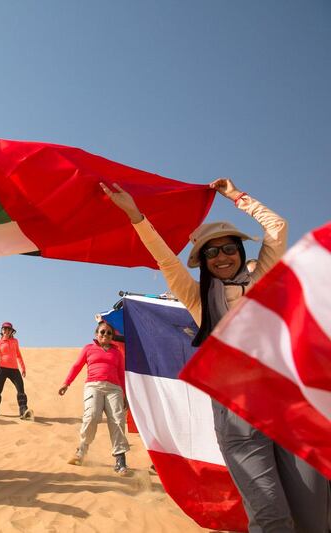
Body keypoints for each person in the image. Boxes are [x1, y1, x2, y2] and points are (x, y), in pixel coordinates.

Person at [103, 179, 329, 532]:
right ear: (202, 261)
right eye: (211, 252)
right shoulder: (197, 298)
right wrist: (135, 215)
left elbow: (277, 227)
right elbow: (164, 258)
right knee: (271, 518)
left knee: (316, 517)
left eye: (228, 248)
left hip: (289, 409)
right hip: (238, 415)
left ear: (240, 250)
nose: (221, 256)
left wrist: (236, 196)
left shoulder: (264, 277)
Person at [59, 321, 130, 475]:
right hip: (93, 386)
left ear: (112, 336)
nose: (105, 335)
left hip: (114, 389)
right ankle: (82, 450)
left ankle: (120, 460)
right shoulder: (89, 349)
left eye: (109, 333)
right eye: (102, 332)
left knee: (117, 421)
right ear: (96, 334)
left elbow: (121, 375)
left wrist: (125, 394)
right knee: (91, 416)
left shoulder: (117, 352)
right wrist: (66, 383)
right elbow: (77, 366)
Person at [0, 322, 30, 418]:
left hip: (14, 369)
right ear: (2, 330)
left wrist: (23, 367)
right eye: (4, 329)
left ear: (12, 331)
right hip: (2, 369)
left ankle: (23, 410)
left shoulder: (15, 341)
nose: (6, 331)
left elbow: (18, 355)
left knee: (21, 389)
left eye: (8, 329)